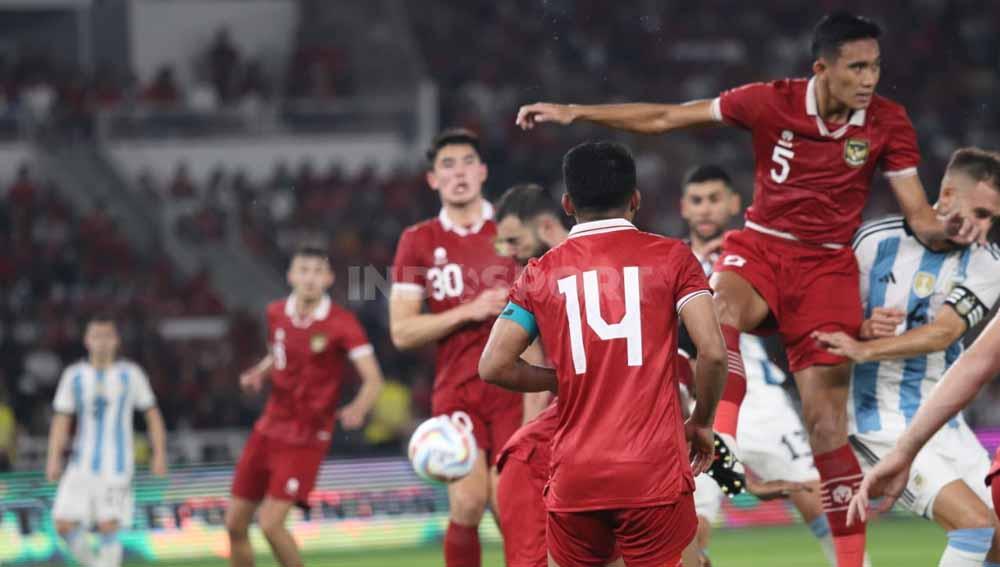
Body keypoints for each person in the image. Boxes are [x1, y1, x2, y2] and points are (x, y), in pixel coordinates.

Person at [515, 12, 981, 566]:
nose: (869, 79)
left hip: (828, 267)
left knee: (826, 425)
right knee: (720, 303)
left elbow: (921, 220)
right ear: (821, 68)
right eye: (857, 66)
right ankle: (721, 436)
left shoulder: (887, 122)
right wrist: (577, 111)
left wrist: (952, 230)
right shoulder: (770, 101)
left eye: (876, 67)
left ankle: (855, 564)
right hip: (761, 245)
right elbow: (669, 116)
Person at [479, 141, 728, 567]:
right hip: (652, 472)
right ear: (635, 199)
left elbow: (494, 365)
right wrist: (702, 421)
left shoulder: (539, 273)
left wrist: (557, 379)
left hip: (576, 475)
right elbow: (713, 353)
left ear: (568, 204)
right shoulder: (673, 258)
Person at [676, 165, 870, 567]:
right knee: (690, 532)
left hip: (763, 403)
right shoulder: (673, 263)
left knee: (817, 498)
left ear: (734, 204)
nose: (706, 209)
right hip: (695, 402)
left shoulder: (756, 253)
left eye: (715, 198)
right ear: (683, 208)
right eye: (697, 200)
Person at [814, 148, 1000, 566]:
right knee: (974, 525)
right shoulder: (873, 240)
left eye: (993, 219)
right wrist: (858, 329)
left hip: (943, 423)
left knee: (996, 541)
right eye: (982, 213)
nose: (985, 229)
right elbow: (826, 321)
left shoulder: (988, 263)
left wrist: (867, 347)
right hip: (876, 422)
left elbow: (944, 333)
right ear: (947, 194)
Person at [389, 128, 520, 567]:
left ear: (483, 172)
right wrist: (469, 310)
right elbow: (402, 332)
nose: (458, 172)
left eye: (467, 162)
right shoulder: (418, 240)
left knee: (513, 508)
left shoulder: (513, 228)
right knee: (466, 504)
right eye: (447, 165)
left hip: (515, 387)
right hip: (458, 387)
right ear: (432, 179)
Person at [225, 244, 385, 567]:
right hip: (269, 427)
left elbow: (373, 378)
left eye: (317, 272)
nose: (310, 278)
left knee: (270, 524)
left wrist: (359, 407)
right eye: (303, 270)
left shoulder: (342, 323)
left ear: (328, 278)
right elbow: (278, 354)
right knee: (234, 524)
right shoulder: (276, 313)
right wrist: (259, 373)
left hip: (306, 435)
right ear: (290, 276)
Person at [47, 315, 168, 567]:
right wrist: (53, 458)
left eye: (107, 336)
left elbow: (153, 415)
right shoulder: (74, 376)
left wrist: (159, 453)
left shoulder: (130, 375)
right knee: (63, 523)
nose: (102, 342)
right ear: (86, 341)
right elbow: (61, 420)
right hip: (81, 464)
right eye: (96, 336)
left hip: (118, 466)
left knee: (107, 525)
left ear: (116, 341)